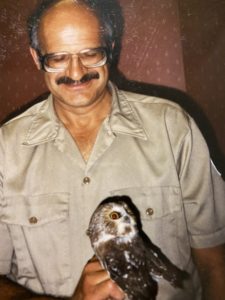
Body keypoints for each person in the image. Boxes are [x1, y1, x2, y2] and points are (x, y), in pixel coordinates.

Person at [0, 0, 225, 299]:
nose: (76, 72)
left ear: (111, 47)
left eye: (91, 54)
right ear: (36, 57)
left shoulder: (173, 128)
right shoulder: (6, 148)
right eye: (58, 58)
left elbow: (214, 262)